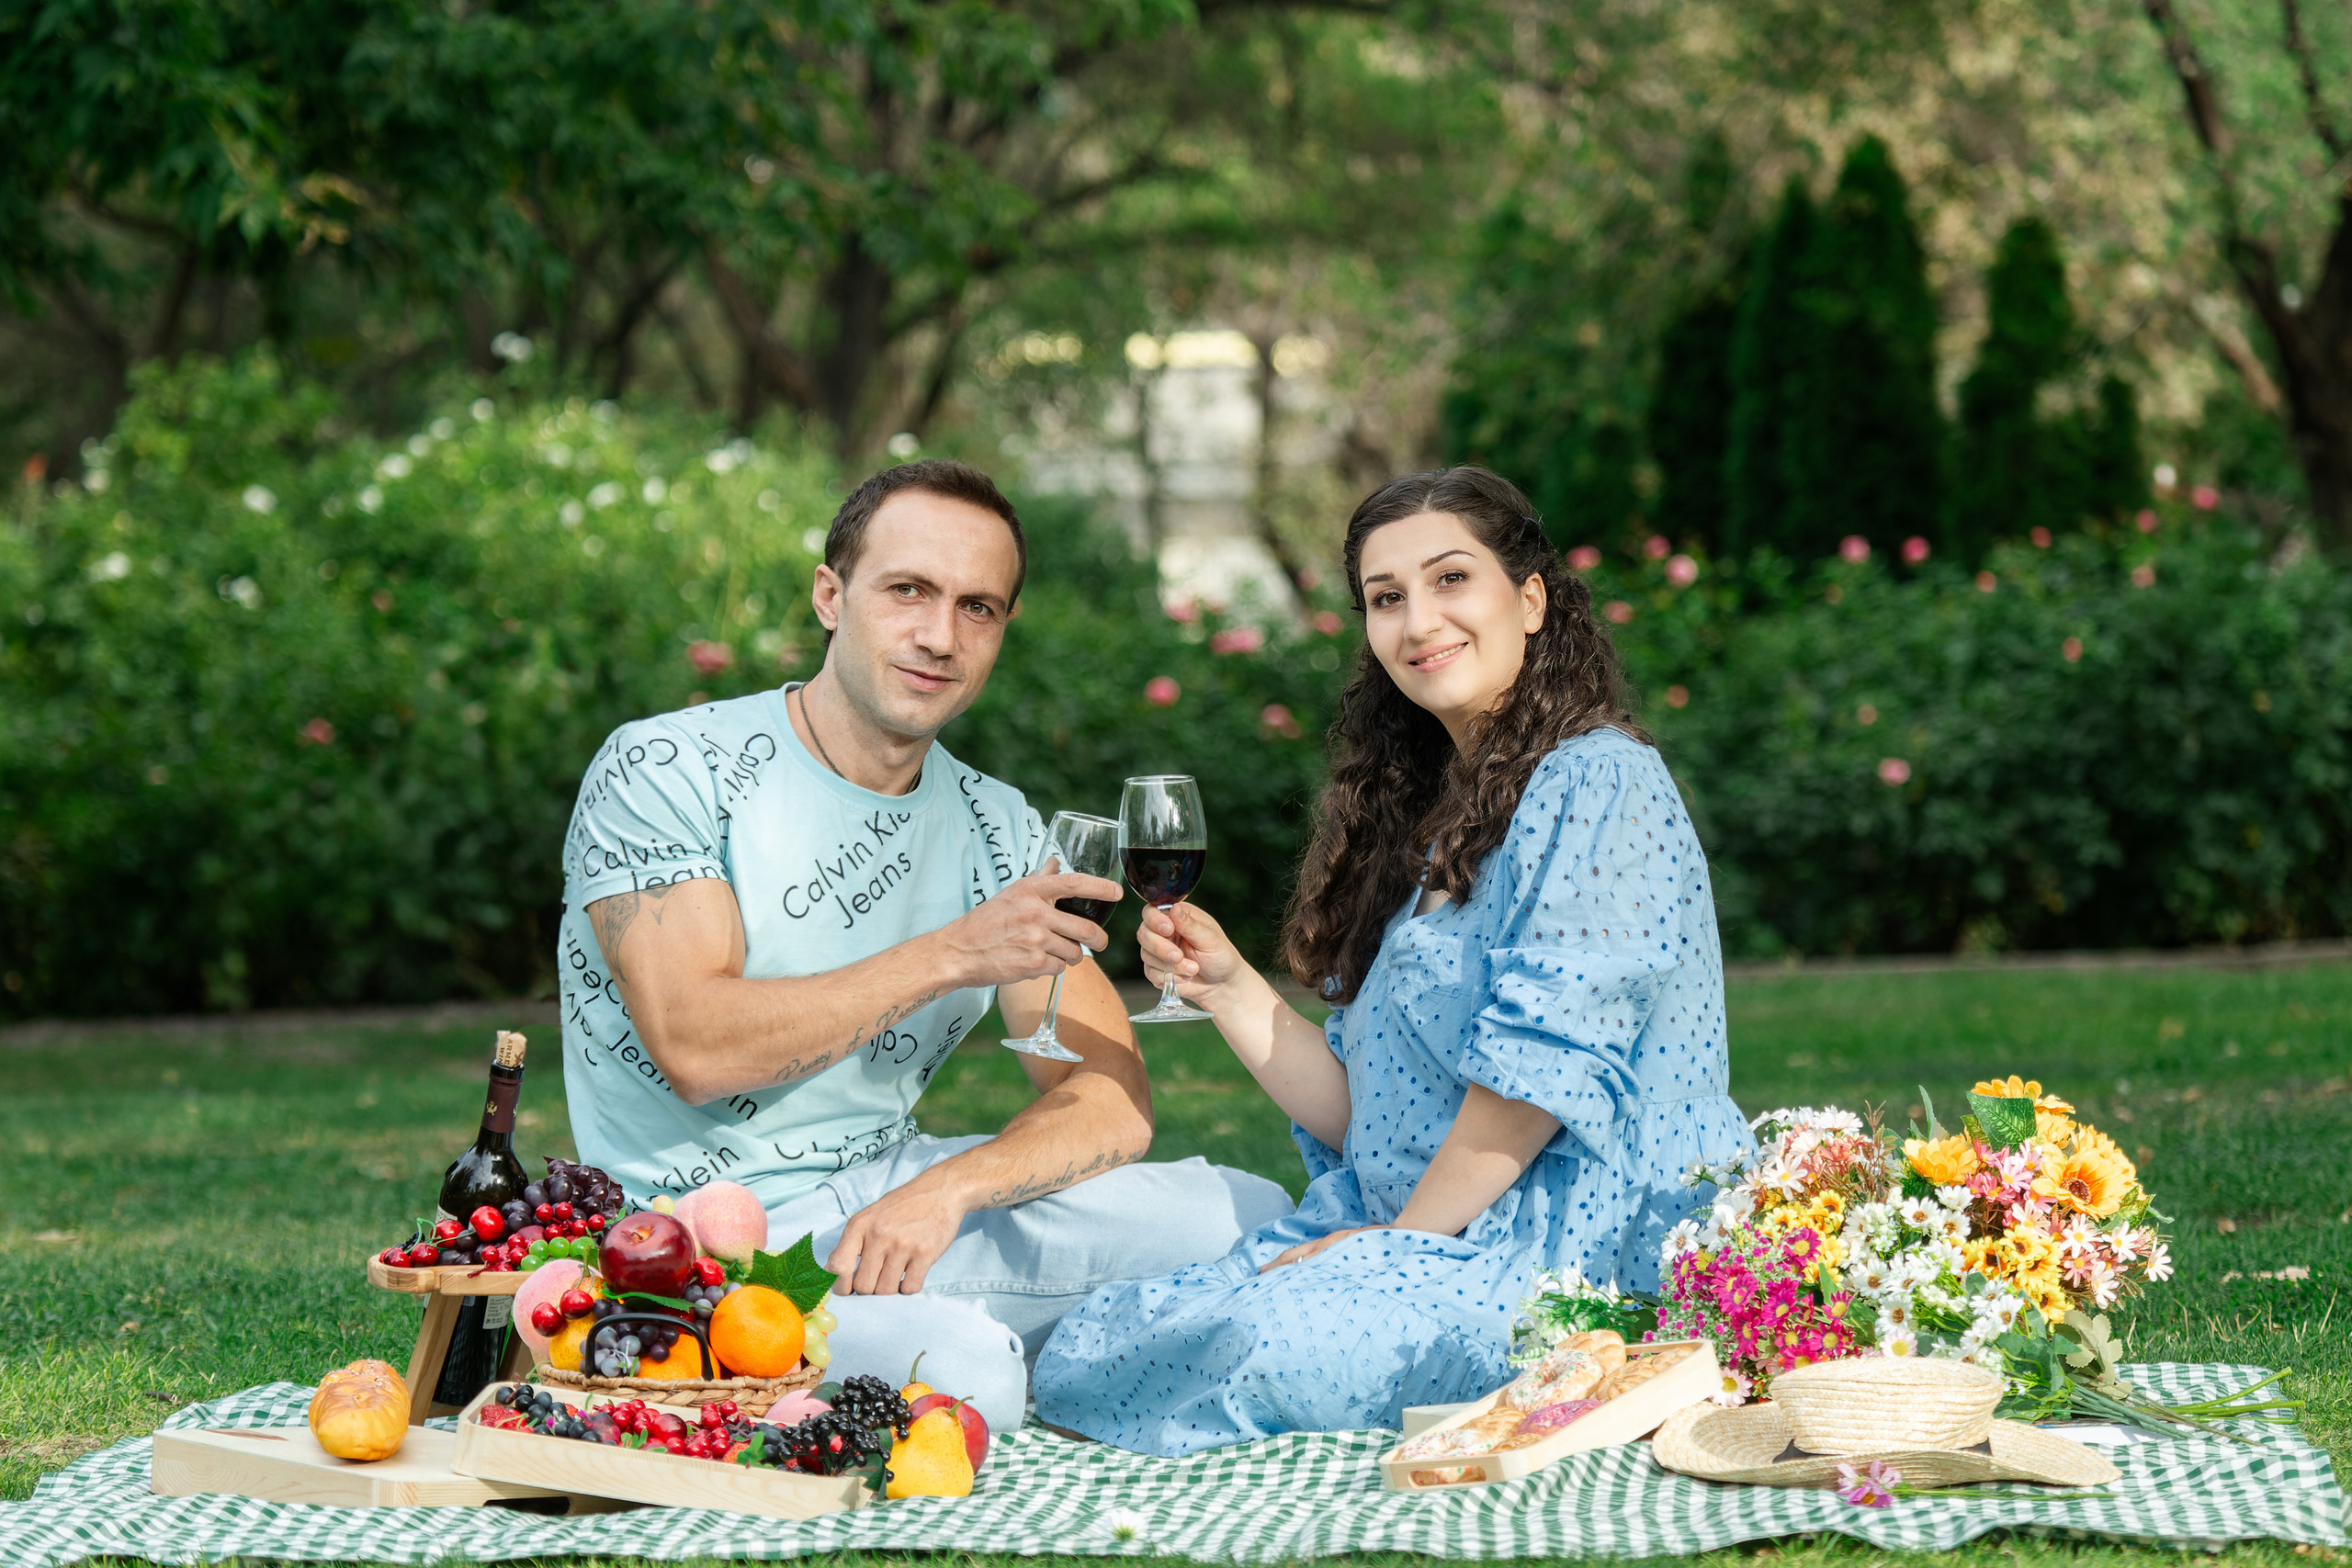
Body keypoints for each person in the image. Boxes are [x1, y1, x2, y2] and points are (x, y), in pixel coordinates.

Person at [1034, 466, 1755, 1455]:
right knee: (1101, 1342)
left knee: (1243, 1343)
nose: (1419, 621)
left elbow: (1532, 1085)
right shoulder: (1433, 821)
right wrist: (1229, 988)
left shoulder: (1598, 781)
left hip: (1565, 1256)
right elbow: (1372, 1115)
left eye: (1451, 579)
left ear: (1531, 599)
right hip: (1431, 1222)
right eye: (1386, 598)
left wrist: (1394, 1249)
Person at [556, 459, 1291, 1427]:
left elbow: (1109, 1103)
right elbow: (696, 1046)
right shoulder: (668, 768)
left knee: (1247, 1217)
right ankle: (1086, 1344)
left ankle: (1048, 1338)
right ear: (830, 595)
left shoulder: (998, 826)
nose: (939, 636)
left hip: (893, 1201)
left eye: (976, 607)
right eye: (908, 591)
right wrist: (956, 952)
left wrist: (948, 1189)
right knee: (970, 1372)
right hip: (699, 1242)